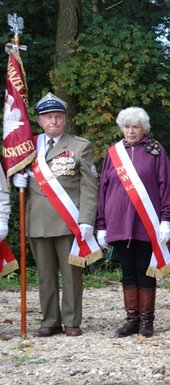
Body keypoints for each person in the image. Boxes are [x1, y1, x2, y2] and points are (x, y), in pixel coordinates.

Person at [12, 92, 98, 337]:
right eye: (48, 117)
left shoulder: (80, 146)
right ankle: (50, 320)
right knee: (45, 274)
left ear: (65, 119)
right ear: (40, 121)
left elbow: (90, 187)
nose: (53, 122)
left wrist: (87, 219)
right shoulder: (28, 146)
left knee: (71, 274)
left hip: (68, 221)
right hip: (38, 219)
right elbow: (14, 168)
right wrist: (17, 179)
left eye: (58, 117)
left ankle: (71, 320)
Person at [96, 107, 170, 338]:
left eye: (136, 126)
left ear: (144, 128)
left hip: (146, 223)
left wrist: (166, 219)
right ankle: (131, 319)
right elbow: (104, 189)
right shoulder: (113, 154)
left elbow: (166, 185)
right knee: (128, 272)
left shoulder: (155, 151)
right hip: (119, 222)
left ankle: (146, 321)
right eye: (127, 126)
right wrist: (101, 224)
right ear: (122, 128)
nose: (131, 131)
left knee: (145, 272)